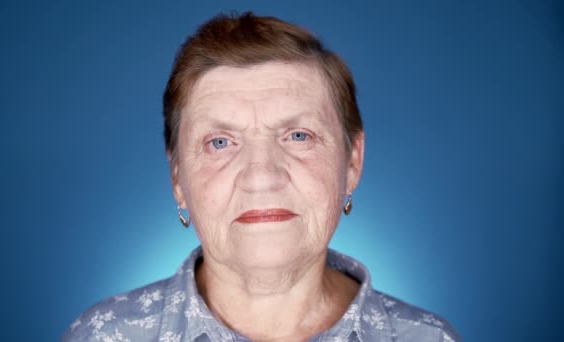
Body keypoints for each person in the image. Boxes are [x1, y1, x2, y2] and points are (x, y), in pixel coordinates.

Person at [63, 11, 460, 342]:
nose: (262, 176)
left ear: (352, 161)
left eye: (298, 135)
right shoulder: (104, 335)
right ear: (178, 179)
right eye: (219, 142)